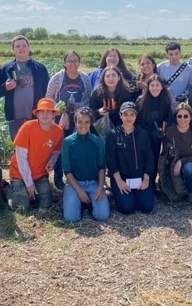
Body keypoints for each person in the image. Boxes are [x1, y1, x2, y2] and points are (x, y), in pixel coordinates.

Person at [6, 98, 64, 213]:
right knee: (21, 208)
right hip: (20, 174)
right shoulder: (27, 127)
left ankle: (28, 193)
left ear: (54, 115)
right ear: (37, 114)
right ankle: (7, 189)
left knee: (46, 203)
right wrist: (29, 184)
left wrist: (51, 162)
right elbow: (21, 159)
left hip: (40, 174)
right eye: (42, 111)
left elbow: (56, 151)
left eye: (49, 111)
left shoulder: (58, 131)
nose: (45, 114)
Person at [46, 50, 92, 188]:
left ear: (79, 62)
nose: (72, 64)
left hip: (79, 120)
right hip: (60, 119)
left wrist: (81, 106)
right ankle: (58, 176)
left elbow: (88, 98)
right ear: (64, 63)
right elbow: (48, 98)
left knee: (75, 147)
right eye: (69, 61)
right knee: (59, 147)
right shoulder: (57, 78)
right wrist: (58, 108)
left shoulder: (85, 78)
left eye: (75, 61)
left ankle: (75, 177)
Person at [0, 35, 49, 140]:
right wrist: (5, 88)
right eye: (17, 46)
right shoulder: (6, 68)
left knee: (35, 144)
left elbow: (47, 91)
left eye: (24, 45)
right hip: (15, 117)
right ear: (13, 50)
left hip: (36, 115)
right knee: (18, 145)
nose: (21, 48)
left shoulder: (40, 68)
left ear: (29, 48)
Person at [105, 102, 155, 214]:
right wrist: (119, 181)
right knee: (127, 209)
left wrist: (146, 180)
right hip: (122, 179)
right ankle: (119, 193)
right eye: (125, 114)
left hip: (140, 179)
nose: (129, 117)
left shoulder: (143, 134)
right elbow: (111, 161)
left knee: (147, 207)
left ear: (136, 116)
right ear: (120, 115)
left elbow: (149, 158)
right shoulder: (112, 135)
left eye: (132, 114)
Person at [61, 108, 110, 222]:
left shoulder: (97, 141)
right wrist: (79, 191)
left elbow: (101, 166)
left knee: (102, 216)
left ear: (91, 123)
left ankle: (90, 205)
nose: (83, 125)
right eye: (80, 122)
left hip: (94, 183)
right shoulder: (68, 142)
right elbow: (67, 170)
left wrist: (101, 186)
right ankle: (80, 201)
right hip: (75, 183)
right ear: (75, 123)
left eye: (87, 122)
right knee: (71, 219)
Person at [161, 103, 192, 203]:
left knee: (189, 168)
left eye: (186, 116)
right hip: (173, 164)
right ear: (176, 118)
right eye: (179, 116)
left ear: (191, 117)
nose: (182, 119)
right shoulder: (170, 131)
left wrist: (181, 161)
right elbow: (165, 153)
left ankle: (191, 192)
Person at [135, 74, 172, 192]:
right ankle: (142, 180)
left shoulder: (165, 100)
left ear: (162, 87)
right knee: (144, 158)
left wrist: (164, 130)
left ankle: (152, 181)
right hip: (143, 134)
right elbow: (137, 120)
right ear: (148, 87)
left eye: (157, 85)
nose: (155, 88)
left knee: (155, 157)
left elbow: (168, 118)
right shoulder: (141, 100)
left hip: (157, 135)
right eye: (152, 85)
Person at [89, 65, 133, 129]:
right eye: (107, 76)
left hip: (120, 125)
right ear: (103, 79)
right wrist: (98, 111)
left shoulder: (125, 93)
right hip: (100, 125)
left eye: (113, 75)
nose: (111, 78)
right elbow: (90, 111)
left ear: (119, 78)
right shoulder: (96, 93)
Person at [157, 41, 192, 112]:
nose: (174, 57)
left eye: (176, 54)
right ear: (167, 55)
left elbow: (190, 87)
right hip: (164, 103)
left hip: (181, 105)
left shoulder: (188, 68)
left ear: (180, 53)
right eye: (171, 54)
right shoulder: (160, 67)